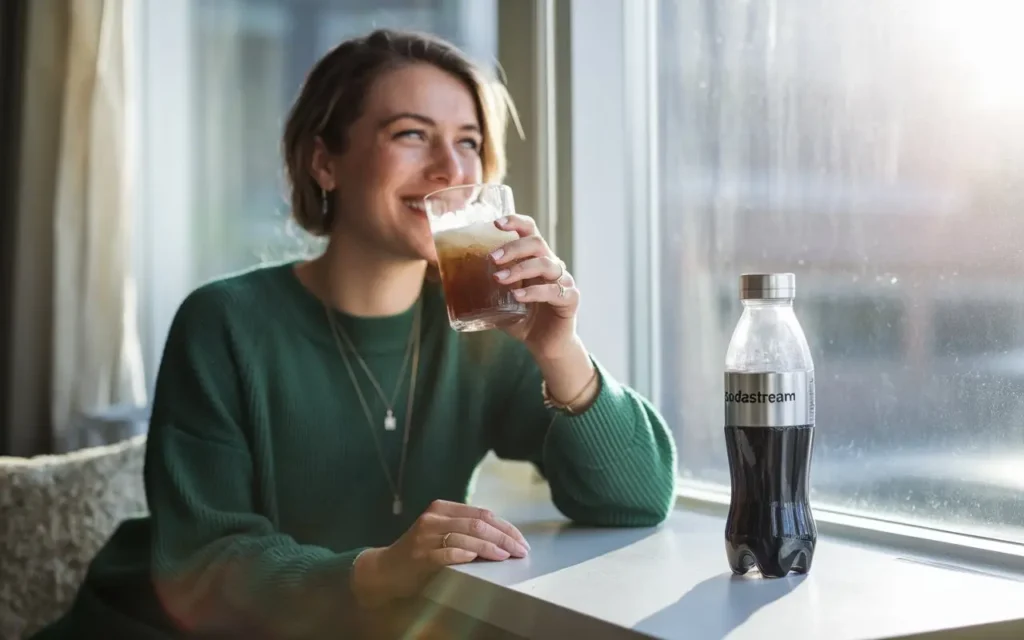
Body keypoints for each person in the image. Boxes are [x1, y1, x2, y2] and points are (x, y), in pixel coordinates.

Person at [33, 29, 677, 639]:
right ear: (324, 163)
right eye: (411, 135)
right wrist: (379, 569)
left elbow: (636, 499)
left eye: (470, 142)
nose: (449, 168)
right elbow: (201, 569)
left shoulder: (482, 332)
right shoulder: (224, 323)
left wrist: (557, 347)